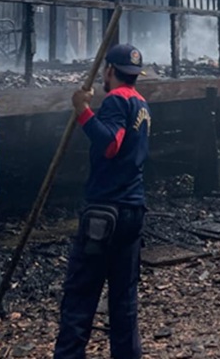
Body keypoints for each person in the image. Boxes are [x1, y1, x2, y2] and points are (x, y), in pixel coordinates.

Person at [54, 44, 150, 359]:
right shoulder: (141, 104)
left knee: (80, 296)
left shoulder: (116, 101)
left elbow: (110, 144)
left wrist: (82, 110)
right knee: (124, 301)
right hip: (133, 208)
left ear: (109, 70)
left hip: (105, 212)